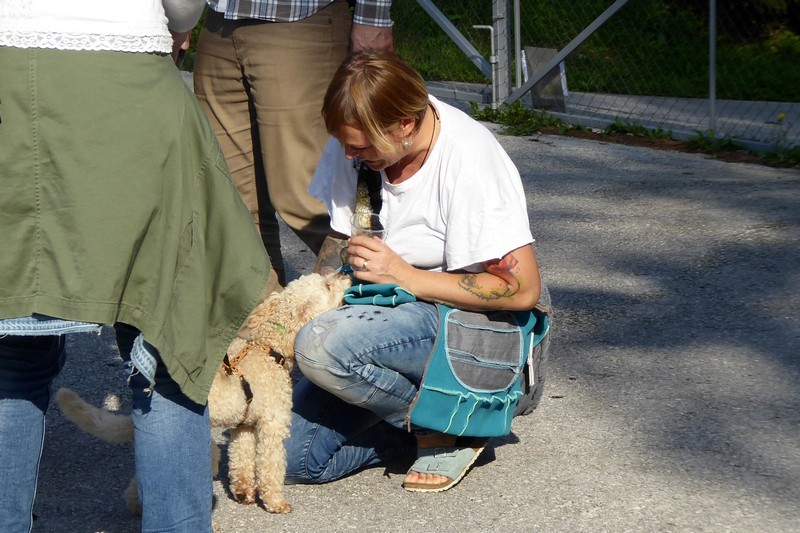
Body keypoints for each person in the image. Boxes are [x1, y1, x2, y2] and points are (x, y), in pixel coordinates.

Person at [0, 1, 276, 531]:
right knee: (169, 345)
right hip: (126, 81)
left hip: (10, 82)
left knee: (12, 348)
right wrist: (180, 26)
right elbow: (182, 5)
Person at [285, 50, 552, 492]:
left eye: (362, 146)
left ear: (405, 125)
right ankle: (415, 425)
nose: (349, 154)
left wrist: (406, 276)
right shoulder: (356, 144)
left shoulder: (469, 157)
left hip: (465, 324)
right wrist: (300, 308)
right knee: (291, 462)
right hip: (382, 314)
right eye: (345, 143)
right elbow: (338, 246)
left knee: (321, 347)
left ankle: (461, 419)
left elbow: (522, 289)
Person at [192, 0, 394, 286]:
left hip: (298, 18)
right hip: (219, 18)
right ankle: (263, 319)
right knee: (231, 197)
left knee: (308, 197)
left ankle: (378, 303)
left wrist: (373, 17)